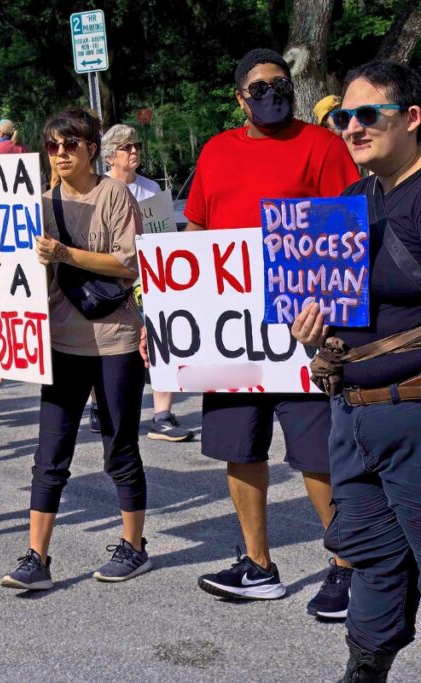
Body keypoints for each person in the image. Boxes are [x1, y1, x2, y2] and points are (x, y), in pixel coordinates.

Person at [175, 48, 359, 613]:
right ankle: (258, 565)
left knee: (318, 453)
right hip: (229, 333)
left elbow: (348, 226)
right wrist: (165, 312)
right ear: (240, 98)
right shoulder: (217, 150)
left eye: (280, 84)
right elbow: (198, 231)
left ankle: (347, 565)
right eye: (259, 87)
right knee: (240, 449)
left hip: (302, 330)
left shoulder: (323, 146)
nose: (271, 93)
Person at [292, 60, 421, 682]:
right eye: (344, 117)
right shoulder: (344, 204)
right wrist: (310, 334)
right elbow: (323, 306)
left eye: (369, 114)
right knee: (372, 559)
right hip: (353, 415)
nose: (352, 127)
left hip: (417, 415)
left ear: (412, 118)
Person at [0, 107, 150, 590]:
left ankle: (134, 546)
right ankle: (35, 557)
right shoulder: (38, 202)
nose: (61, 153)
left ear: (91, 148)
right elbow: (16, 278)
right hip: (61, 341)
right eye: (52, 146)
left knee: (119, 447)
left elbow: (129, 266)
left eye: (71, 144)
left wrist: (65, 253)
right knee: (50, 453)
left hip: (114, 341)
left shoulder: (115, 195)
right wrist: (1, 334)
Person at [102, 123, 193, 443]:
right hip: (111, 281)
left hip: (151, 279)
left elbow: (165, 233)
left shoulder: (150, 188)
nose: (134, 152)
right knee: (111, 347)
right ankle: (101, 406)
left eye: (136, 145)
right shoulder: (100, 189)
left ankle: (162, 415)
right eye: (127, 148)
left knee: (160, 341)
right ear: (110, 156)